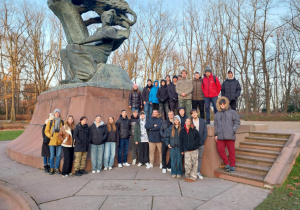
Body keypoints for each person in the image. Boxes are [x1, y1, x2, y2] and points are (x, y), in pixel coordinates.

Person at [214, 96, 240, 173]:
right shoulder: (217, 114)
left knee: (231, 152)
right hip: (220, 136)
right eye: (221, 104)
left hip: (230, 135)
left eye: (223, 103)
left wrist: (233, 130)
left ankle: (232, 165)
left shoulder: (232, 112)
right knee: (220, 150)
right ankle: (227, 163)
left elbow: (237, 122)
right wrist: (216, 134)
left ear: (226, 104)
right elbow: (216, 125)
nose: (222, 105)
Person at [179, 118, 201, 183]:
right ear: (185, 122)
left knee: (194, 163)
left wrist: (194, 146)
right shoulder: (182, 130)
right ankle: (187, 176)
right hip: (186, 150)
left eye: (189, 121)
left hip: (194, 150)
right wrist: (182, 150)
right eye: (187, 121)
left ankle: (193, 176)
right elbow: (180, 140)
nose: (188, 122)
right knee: (187, 164)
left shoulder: (194, 130)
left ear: (191, 122)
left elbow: (198, 139)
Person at [45, 108, 64, 175]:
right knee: (52, 156)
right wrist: (50, 136)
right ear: (54, 114)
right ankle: (51, 168)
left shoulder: (62, 122)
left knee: (58, 156)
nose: (57, 114)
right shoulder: (50, 122)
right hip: (52, 141)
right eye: (56, 112)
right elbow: (46, 131)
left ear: (60, 114)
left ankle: (56, 168)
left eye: (58, 112)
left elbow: (64, 131)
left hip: (59, 141)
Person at [190, 109, 207, 180]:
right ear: (191, 115)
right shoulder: (190, 122)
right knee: (193, 158)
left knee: (199, 158)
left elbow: (205, 132)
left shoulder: (202, 121)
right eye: (192, 113)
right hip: (192, 143)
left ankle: (198, 172)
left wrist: (202, 140)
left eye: (195, 113)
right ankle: (192, 172)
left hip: (200, 143)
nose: (194, 114)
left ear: (197, 113)